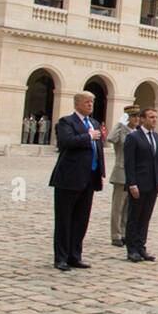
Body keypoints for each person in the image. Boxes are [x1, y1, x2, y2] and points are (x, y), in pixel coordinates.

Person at [48, 91, 104, 271]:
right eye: (87, 102)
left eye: (92, 102)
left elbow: (98, 149)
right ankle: (61, 257)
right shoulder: (67, 122)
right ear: (77, 103)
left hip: (89, 177)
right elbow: (65, 142)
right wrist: (88, 137)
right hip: (69, 178)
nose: (90, 105)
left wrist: (100, 170)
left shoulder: (94, 123)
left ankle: (75, 255)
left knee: (81, 220)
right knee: (64, 219)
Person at [124, 107, 158, 263]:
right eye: (151, 117)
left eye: (155, 117)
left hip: (152, 184)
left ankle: (141, 247)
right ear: (142, 119)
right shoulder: (133, 137)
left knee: (145, 218)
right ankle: (132, 249)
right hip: (138, 184)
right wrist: (132, 183)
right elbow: (129, 163)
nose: (154, 120)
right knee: (134, 217)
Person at [107, 105, 141, 247]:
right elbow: (110, 138)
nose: (137, 119)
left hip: (134, 175)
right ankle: (116, 234)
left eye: (138, 116)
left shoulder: (138, 133)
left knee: (128, 206)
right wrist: (120, 124)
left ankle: (125, 232)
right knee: (118, 206)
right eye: (133, 117)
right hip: (121, 172)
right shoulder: (122, 131)